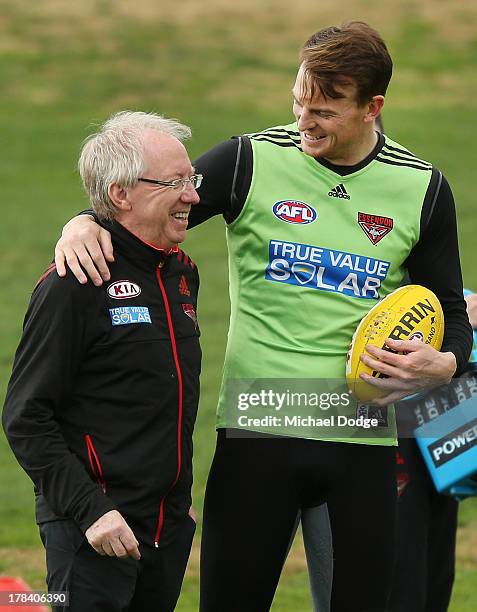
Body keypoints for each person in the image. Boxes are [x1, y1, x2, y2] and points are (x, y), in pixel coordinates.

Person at [53, 22, 472, 611]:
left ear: (372, 107)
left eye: (324, 110)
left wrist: (445, 362)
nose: (305, 120)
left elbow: (451, 310)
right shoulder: (249, 160)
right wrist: (84, 220)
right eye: (299, 100)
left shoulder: (422, 188)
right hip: (258, 432)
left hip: (361, 442)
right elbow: (147, 209)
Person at [2, 111, 202, 612]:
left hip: (165, 530)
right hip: (93, 530)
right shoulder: (74, 282)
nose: (193, 195)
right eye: (175, 182)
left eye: (192, 179)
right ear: (120, 194)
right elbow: (25, 417)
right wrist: (92, 512)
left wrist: (178, 504)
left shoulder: (182, 273)